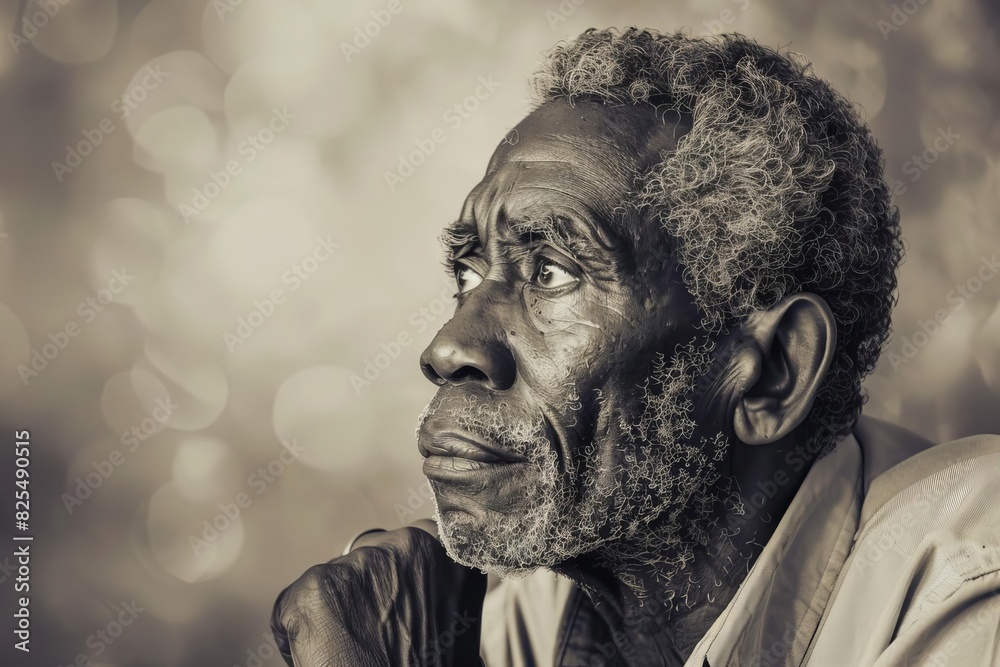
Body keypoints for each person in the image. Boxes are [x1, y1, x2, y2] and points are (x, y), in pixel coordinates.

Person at [271, 29, 1000, 666]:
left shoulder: (973, 590)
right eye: (468, 272)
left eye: (551, 270)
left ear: (773, 372)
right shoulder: (514, 603)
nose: (449, 346)